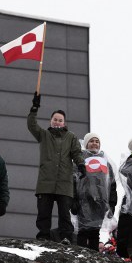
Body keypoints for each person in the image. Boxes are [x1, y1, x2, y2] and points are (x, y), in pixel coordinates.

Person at [27, 92, 85, 244]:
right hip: (46, 181)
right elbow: (31, 125)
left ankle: (66, 237)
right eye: (55, 119)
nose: (58, 122)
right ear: (51, 121)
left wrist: (81, 164)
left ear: (64, 123)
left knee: (64, 214)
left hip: (64, 182)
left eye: (60, 120)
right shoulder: (44, 135)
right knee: (44, 212)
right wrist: (34, 108)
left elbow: (76, 153)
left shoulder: (71, 137)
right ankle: (43, 237)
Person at [72, 132, 117, 251]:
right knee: (83, 230)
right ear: (86, 144)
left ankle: (93, 257)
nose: (94, 143)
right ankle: (81, 255)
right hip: (84, 199)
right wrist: (73, 199)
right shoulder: (80, 159)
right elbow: (73, 180)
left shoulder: (105, 161)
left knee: (95, 231)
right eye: (92, 141)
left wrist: (112, 203)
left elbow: (112, 184)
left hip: (100, 201)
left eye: (97, 141)